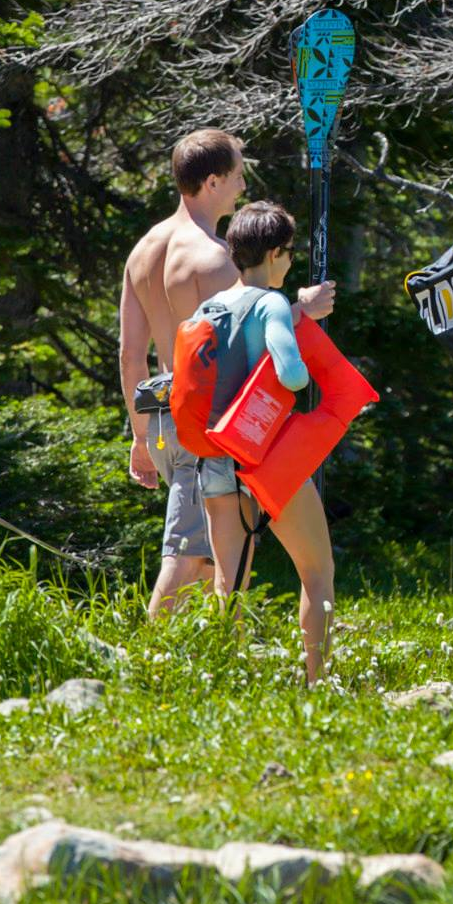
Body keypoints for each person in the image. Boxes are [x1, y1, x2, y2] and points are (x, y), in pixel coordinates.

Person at [119, 129, 332, 617]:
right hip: (206, 417)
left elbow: (132, 356)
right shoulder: (213, 257)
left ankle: (200, 660)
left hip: (163, 418)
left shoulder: (145, 249)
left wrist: (140, 434)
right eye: (236, 175)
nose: (241, 187)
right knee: (193, 553)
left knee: (211, 552)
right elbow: (244, 323)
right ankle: (145, 663)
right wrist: (303, 306)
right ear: (212, 181)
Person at [198, 201, 338, 682]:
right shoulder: (272, 302)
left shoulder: (210, 306)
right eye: (290, 252)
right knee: (317, 572)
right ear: (275, 253)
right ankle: (317, 681)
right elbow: (292, 375)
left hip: (216, 456)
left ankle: (225, 678)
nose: (292, 261)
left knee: (228, 582)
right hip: (270, 454)